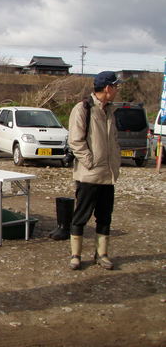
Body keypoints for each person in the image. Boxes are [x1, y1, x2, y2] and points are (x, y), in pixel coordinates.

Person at [67, 71, 121, 270]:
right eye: (116, 86)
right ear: (108, 88)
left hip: (108, 176)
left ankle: (102, 254)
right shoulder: (83, 108)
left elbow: (113, 140)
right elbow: (75, 141)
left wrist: (115, 162)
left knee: (105, 216)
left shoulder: (110, 111)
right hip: (89, 175)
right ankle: (76, 255)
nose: (117, 90)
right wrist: (90, 162)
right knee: (81, 215)